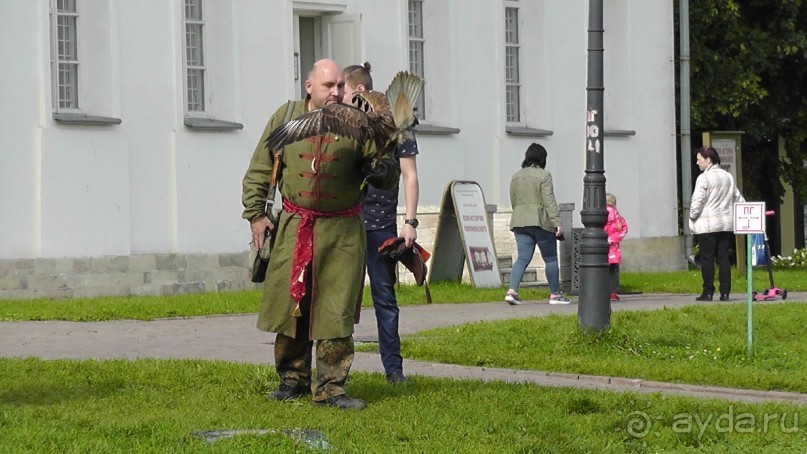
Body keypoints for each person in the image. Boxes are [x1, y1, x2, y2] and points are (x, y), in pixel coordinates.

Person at [241, 59, 399, 410]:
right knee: (291, 304)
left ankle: (330, 388)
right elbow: (260, 167)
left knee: (335, 310)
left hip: (342, 230)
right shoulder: (286, 116)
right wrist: (256, 214)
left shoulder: (357, 120)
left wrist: (383, 168)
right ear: (309, 86)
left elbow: (387, 174)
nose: (337, 92)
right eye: (329, 85)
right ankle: (292, 380)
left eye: (341, 85)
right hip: (295, 225)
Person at [343, 62, 419, 384]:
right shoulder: (343, 123)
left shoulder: (396, 123)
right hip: (345, 222)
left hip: (379, 227)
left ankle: (394, 371)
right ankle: (334, 373)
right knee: (340, 298)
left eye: (343, 91)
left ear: (359, 91)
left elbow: (410, 175)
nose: (339, 97)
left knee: (385, 300)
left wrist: (410, 222)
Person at [505, 143, 570, 305]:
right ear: (543, 158)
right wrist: (557, 222)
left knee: (522, 258)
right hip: (541, 222)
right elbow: (549, 200)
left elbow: (513, 199)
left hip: (520, 221)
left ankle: (512, 292)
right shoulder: (544, 175)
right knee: (550, 259)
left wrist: (520, 214)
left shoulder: (516, 176)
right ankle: (555, 295)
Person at [689, 146, 745, 301]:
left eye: (699, 160)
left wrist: (692, 216)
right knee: (724, 259)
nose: (697, 163)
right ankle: (725, 292)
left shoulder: (703, 178)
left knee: (707, 259)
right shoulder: (728, 176)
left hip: (706, 226)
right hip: (726, 225)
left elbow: (697, 201)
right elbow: (738, 198)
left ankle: (708, 292)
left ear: (708, 160)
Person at [604, 193, 628, 301]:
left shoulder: (602, 214)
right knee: (613, 272)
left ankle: (602, 291)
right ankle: (613, 292)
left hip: (602, 249)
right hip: (613, 249)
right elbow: (624, 229)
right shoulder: (618, 217)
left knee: (601, 271)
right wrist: (612, 239)